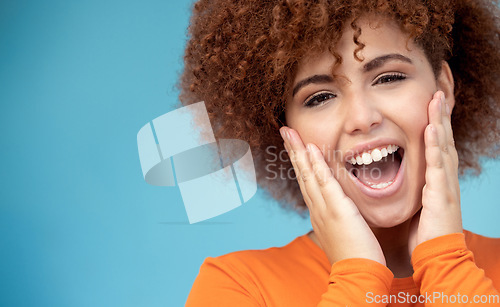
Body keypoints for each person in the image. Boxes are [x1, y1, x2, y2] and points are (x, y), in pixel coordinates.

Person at [180, 0, 500, 305]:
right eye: (319, 97)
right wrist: (356, 278)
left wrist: (446, 263)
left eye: (389, 77)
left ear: (444, 88)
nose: (362, 118)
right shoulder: (238, 287)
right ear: (285, 129)